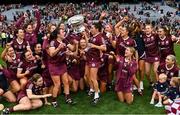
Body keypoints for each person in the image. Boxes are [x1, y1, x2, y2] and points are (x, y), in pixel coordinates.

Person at [48, 28, 75, 107]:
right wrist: (59, 48)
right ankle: (54, 101)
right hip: (54, 65)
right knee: (57, 84)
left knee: (66, 82)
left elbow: (72, 48)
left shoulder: (65, 41)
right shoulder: (53, 42)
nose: (64, 33)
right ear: (58, 35)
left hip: (62, 64)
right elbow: (52, 54)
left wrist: (69, 51)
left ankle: (68, 98)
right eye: (63, 32)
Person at [86, 22, 106, 104]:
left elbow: (104, 48)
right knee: (90, 77)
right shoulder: (92, 37)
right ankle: (94, 90)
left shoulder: (100, 37)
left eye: (92, 28)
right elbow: (89, 46)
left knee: (93, 78)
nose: (91, 29)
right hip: (90, 58)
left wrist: (94, 46)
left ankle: (97, 95)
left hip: (95, 60)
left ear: (97, 29)